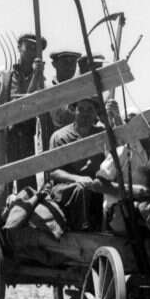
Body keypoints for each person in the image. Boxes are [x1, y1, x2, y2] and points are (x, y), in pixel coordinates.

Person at [0, 32, 46, 206]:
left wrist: (37, 76)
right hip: (5, 136)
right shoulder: (4, 74)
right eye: (28, 47)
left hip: (28, 137)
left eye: (36, 49)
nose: (32, 52)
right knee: (0, 186)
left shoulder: (41, 79)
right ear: (19, 47)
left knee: (27, 187)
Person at [96, 108, 150, 236]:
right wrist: (130, 191)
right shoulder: (124, 151)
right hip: (118, 213)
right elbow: (97, 184)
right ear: (143, 130)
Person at [46, 97, 105, 230]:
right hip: (66, 188)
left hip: (96, 186)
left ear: (96, 113)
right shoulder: (60, 136)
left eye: (90, 109)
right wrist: (77, 179)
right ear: (74, 110)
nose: (85, 113)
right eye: (81, 109)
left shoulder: (102, 134)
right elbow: (53, 172)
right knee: (80, 190)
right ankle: (81, 232)